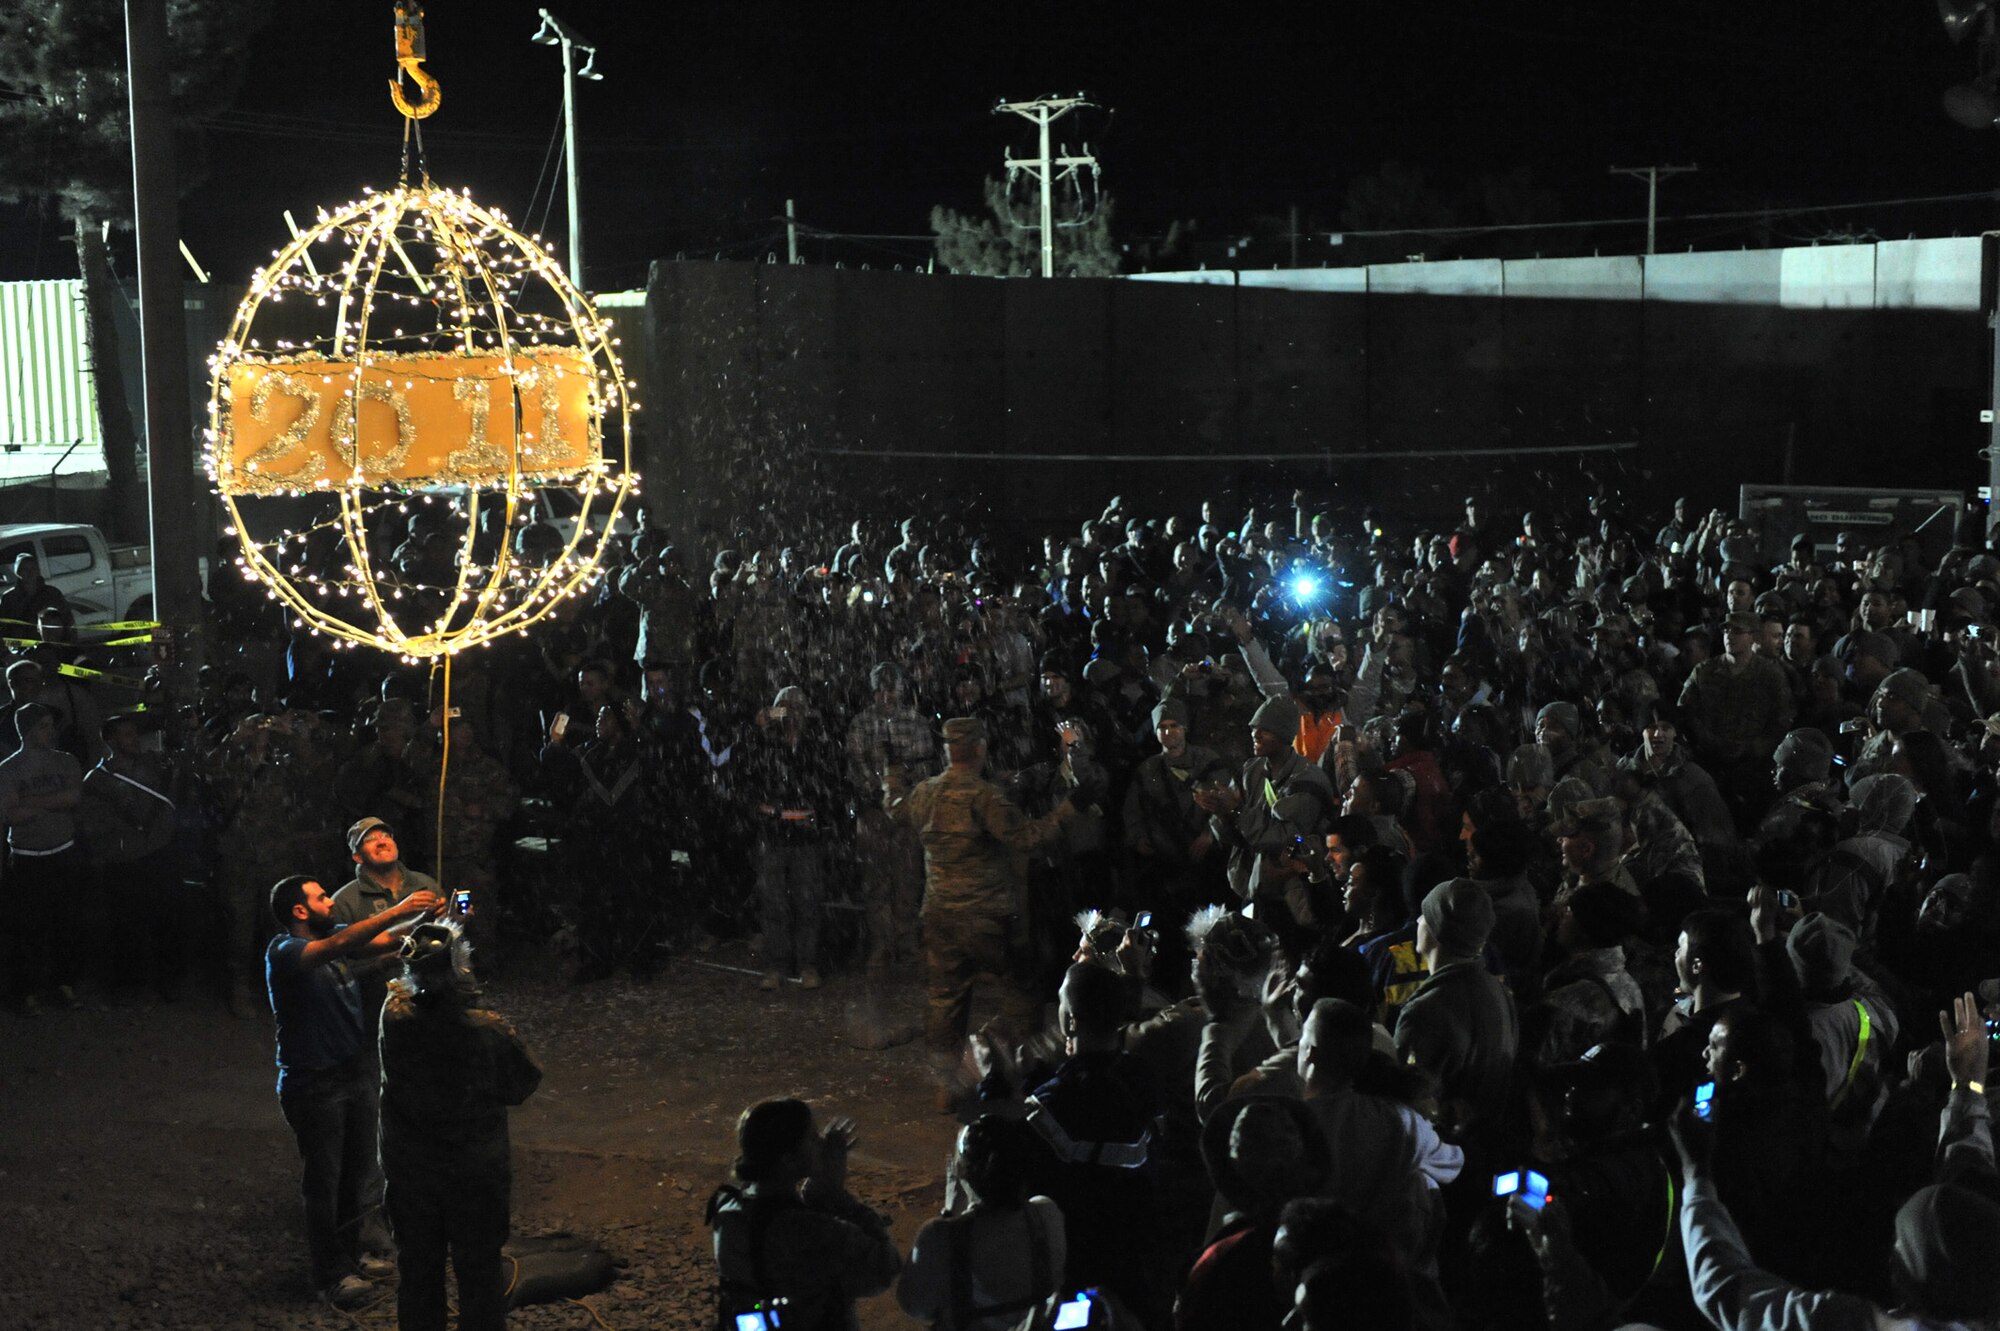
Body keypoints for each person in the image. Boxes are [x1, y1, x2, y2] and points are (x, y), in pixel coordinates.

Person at [1662, 992, 2000, 1331]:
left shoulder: (1858, 1325)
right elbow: (1970, 1172)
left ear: (1910, 1280)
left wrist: (1696, 1172)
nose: (1890, 1250)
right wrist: (1967, 1085)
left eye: (1900, 1244)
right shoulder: (1806, 1103)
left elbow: (1729, 1291)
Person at [884, 716, 1084, 1109]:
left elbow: (894, 807)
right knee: (1022, 993)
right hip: (990, 917)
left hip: (941, 915)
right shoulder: (984, 797)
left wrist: (892, 771)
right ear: (979, 749)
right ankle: (1020, 1077)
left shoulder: (926, 794)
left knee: (945, 1000)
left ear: (946, 750)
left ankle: (947, 1087)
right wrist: (1069, 809)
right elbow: (1026, 837)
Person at [265, 873, 440, 1309]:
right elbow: (337, 948)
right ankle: (330, 1275)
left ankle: (349, 1257)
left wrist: (430, 919)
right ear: (300, 911)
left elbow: (384, 941)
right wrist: (400, 909)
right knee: (322, 1183)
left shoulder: (339, 935)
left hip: (350, 1073)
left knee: (354, 1175)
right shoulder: (285, 950)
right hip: (313, 1083)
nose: (331, 902)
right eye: (322, 897)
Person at [378, 920, 542, 1331]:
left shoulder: (393, 1013)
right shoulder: (484, 1028)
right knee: (480, 1269)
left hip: (409, 1166)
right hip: (474, 1168)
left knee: (417, 1268)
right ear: (459, 966)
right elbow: (522, 1083)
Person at [706, 1099, 901, 1331]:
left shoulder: (729, 1214)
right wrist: (832, 1196)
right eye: (812, 1137)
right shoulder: (807, 1231)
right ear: (788, 1159)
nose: (822, 1142)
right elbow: (884, 1267)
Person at [898, 1116, 1067, 1331]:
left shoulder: (939, 1234)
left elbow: (916, 1307)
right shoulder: (1046, 1214)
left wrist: (950, 1214)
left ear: (962, 1173)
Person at [80, 712, 183, 1002]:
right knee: (126, 923)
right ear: (110, 741)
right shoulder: (97, 780)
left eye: (135, 733)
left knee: (166, 919)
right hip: (125, 860)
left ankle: (167, 980)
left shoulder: (153, 766)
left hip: (159, 854)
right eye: (126, 734)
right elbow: (95, 824)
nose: (135, 739)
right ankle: (129, 985)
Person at [0, 702, 84, 1012]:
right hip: (27, 857)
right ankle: (26, 991)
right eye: (45, 726)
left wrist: (31, 801)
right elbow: (11, 814)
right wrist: (53, 803)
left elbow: (73, 797)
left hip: (62, 852)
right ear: (29, 729)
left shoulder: (66, 761)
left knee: (66, 924)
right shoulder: (9, 769)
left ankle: (64, 984)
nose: (51, 732)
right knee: (28, 928)